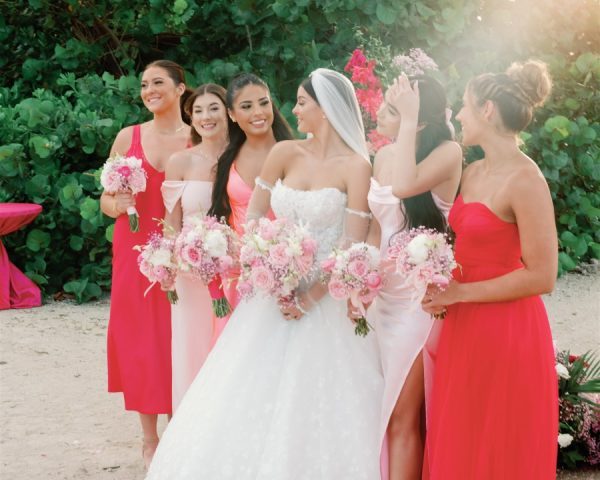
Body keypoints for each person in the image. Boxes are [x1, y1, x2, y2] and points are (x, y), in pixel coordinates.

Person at [145, 68, 384, 479]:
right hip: (270, 295)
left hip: (323, 302)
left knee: (320, 401)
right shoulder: (285, 153)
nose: (293, 109)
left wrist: (309, 296)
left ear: (325, 110)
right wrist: (270, 266)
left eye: (303, 102)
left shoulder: (357, 166)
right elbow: (254, 219)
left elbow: (352, 245)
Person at [421, 60, 558, 479]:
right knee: (459, 432)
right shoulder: (472, 171)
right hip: (463, 326)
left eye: (464, 105)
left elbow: (542, 275)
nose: (457, 115)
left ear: (487, 111)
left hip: (506, 329)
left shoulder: (527, 180)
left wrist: (460, 293)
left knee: (497, 439)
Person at [359, 74, 462, 480]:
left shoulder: (448, 151)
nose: (380, 113)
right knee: (379, 407)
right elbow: (374, 227)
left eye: (393, 109)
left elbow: (404, 186)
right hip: (380, 298)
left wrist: (408, 124)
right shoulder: (382, 156)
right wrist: (359, 277)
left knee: (404, 416)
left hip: (419, 303)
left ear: (417, 120)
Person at [100, 59, 191, 469]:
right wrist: (114, 204)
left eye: (158, 83)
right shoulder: (128, 137)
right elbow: (104, 201)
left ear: (180, 88)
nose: (149, 90)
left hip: (184, 255)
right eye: (144, 85)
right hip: (134, 252)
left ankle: (183, 430)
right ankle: (150, 439)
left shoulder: (199, 137)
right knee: (142, 342)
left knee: (181, 337)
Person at [161, 83, 231, 412]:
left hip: (234, 270)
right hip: (190, 272)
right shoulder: (181, 161)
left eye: (213, 108)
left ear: (228, 111)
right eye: (198, 110)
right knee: (191, 348)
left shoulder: (242, 157)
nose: (206, 117)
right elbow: (171, 220)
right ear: (190, 117)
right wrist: (165, 262)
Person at [208, 73, 293, 326]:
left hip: (287, 272)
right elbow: (221, 217)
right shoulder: (226, 161)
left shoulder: (294, 153)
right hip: (240, 277)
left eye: (264, 102)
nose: (258, 112)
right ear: (232, 114)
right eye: (247, 106)